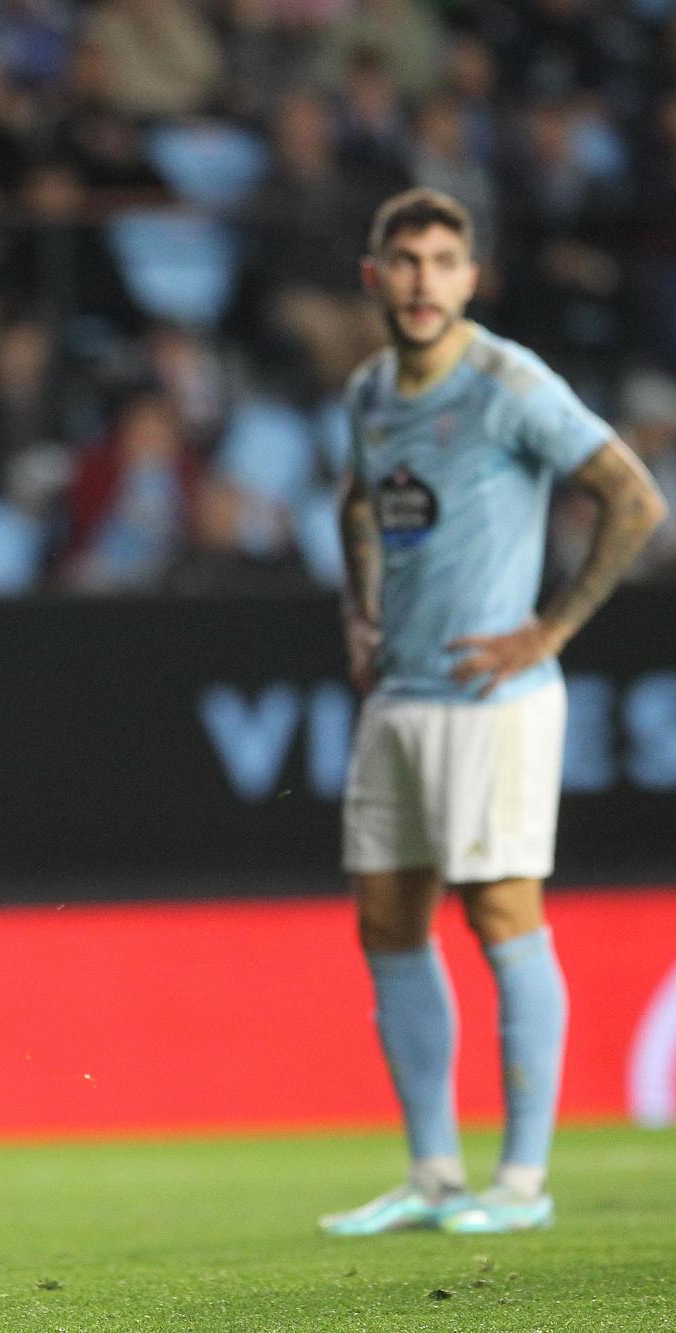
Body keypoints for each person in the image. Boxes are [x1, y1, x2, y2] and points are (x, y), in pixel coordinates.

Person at [322, 189, 665, 1237]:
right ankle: (432, 1174)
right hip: (403, 695)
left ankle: (520, 1181)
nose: (423, 279)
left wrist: (547, 632)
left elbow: (633, 496)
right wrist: (360, 611)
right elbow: (356, 499)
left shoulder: (507, 383)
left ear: (470, 278)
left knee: (499, 912)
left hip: (491, 698)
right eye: (405, 260)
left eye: (443, 260)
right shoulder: (371, 390)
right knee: (385, 917)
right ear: (374, 278)